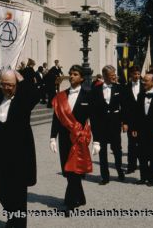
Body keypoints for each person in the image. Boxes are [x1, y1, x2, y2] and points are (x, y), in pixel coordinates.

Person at [0, 70, 39, 228]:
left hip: (19, 154)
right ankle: (12, 213)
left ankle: (18, 223)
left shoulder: (23, 101)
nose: (7, 88)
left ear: (16, 85)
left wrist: (21, 80)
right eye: (4, 84)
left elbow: (35, 95)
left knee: (18, 191)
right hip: (0, 152)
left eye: (10, 85)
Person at [49, 65, 99, 212]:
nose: (71, 76)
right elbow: (56, 118)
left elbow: (94, 119)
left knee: (73, 169)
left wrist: (97, 141)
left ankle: (69, 203)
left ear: (82, 78)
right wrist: (53, 137)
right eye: (70, 74)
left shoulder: (88, 95)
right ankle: (80, 197)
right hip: (65, 138)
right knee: (67, 170)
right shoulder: (61, 96)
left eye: (75, 74)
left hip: (79, 138)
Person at [91, 65, 125, 185]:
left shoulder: (119, 88)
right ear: (104, 76)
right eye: (111, 75)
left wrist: (124, 122)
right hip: (101, 125)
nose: (114, 77)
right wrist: (93, 127)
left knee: (117, 149)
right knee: (102, 151)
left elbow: (124, 107)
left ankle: (120, 169)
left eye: (114, 74)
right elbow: (93, 110)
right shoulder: (95, 89)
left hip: (115, 124)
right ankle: (105, 176)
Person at [131, 73, 153, 186]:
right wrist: (134, 128)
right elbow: (136, 113)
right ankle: (143, 177)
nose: (143, 83)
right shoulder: (140, 95)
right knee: (142, 155)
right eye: (143, 80)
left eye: (146, 81)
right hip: (142, 130)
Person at [122, 65, 143, 174]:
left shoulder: (145, 86)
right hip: (130, 120)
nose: (137, 76)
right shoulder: (126, 88)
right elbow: (124, 107)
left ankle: (144, 164)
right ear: (130, 75)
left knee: (143, 143)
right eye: (134, 74)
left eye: (138, 74)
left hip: (143, 120)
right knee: (131, 144)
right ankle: (131, 166)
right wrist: (125, 122)